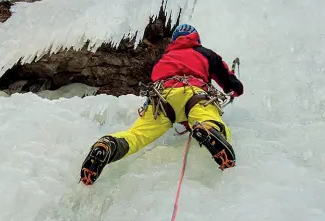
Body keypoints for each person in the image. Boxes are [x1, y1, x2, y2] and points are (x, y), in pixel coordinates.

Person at [80, 24, 244, 185]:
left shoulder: (164, 58)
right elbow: (231, 83)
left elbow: (155, 82)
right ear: (197, 39)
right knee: (209, 120)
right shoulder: (207, 54)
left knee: (136, 136)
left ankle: (109, 145)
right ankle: (207, 129)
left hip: (162, 100)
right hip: (195, 95)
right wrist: (235, 89)